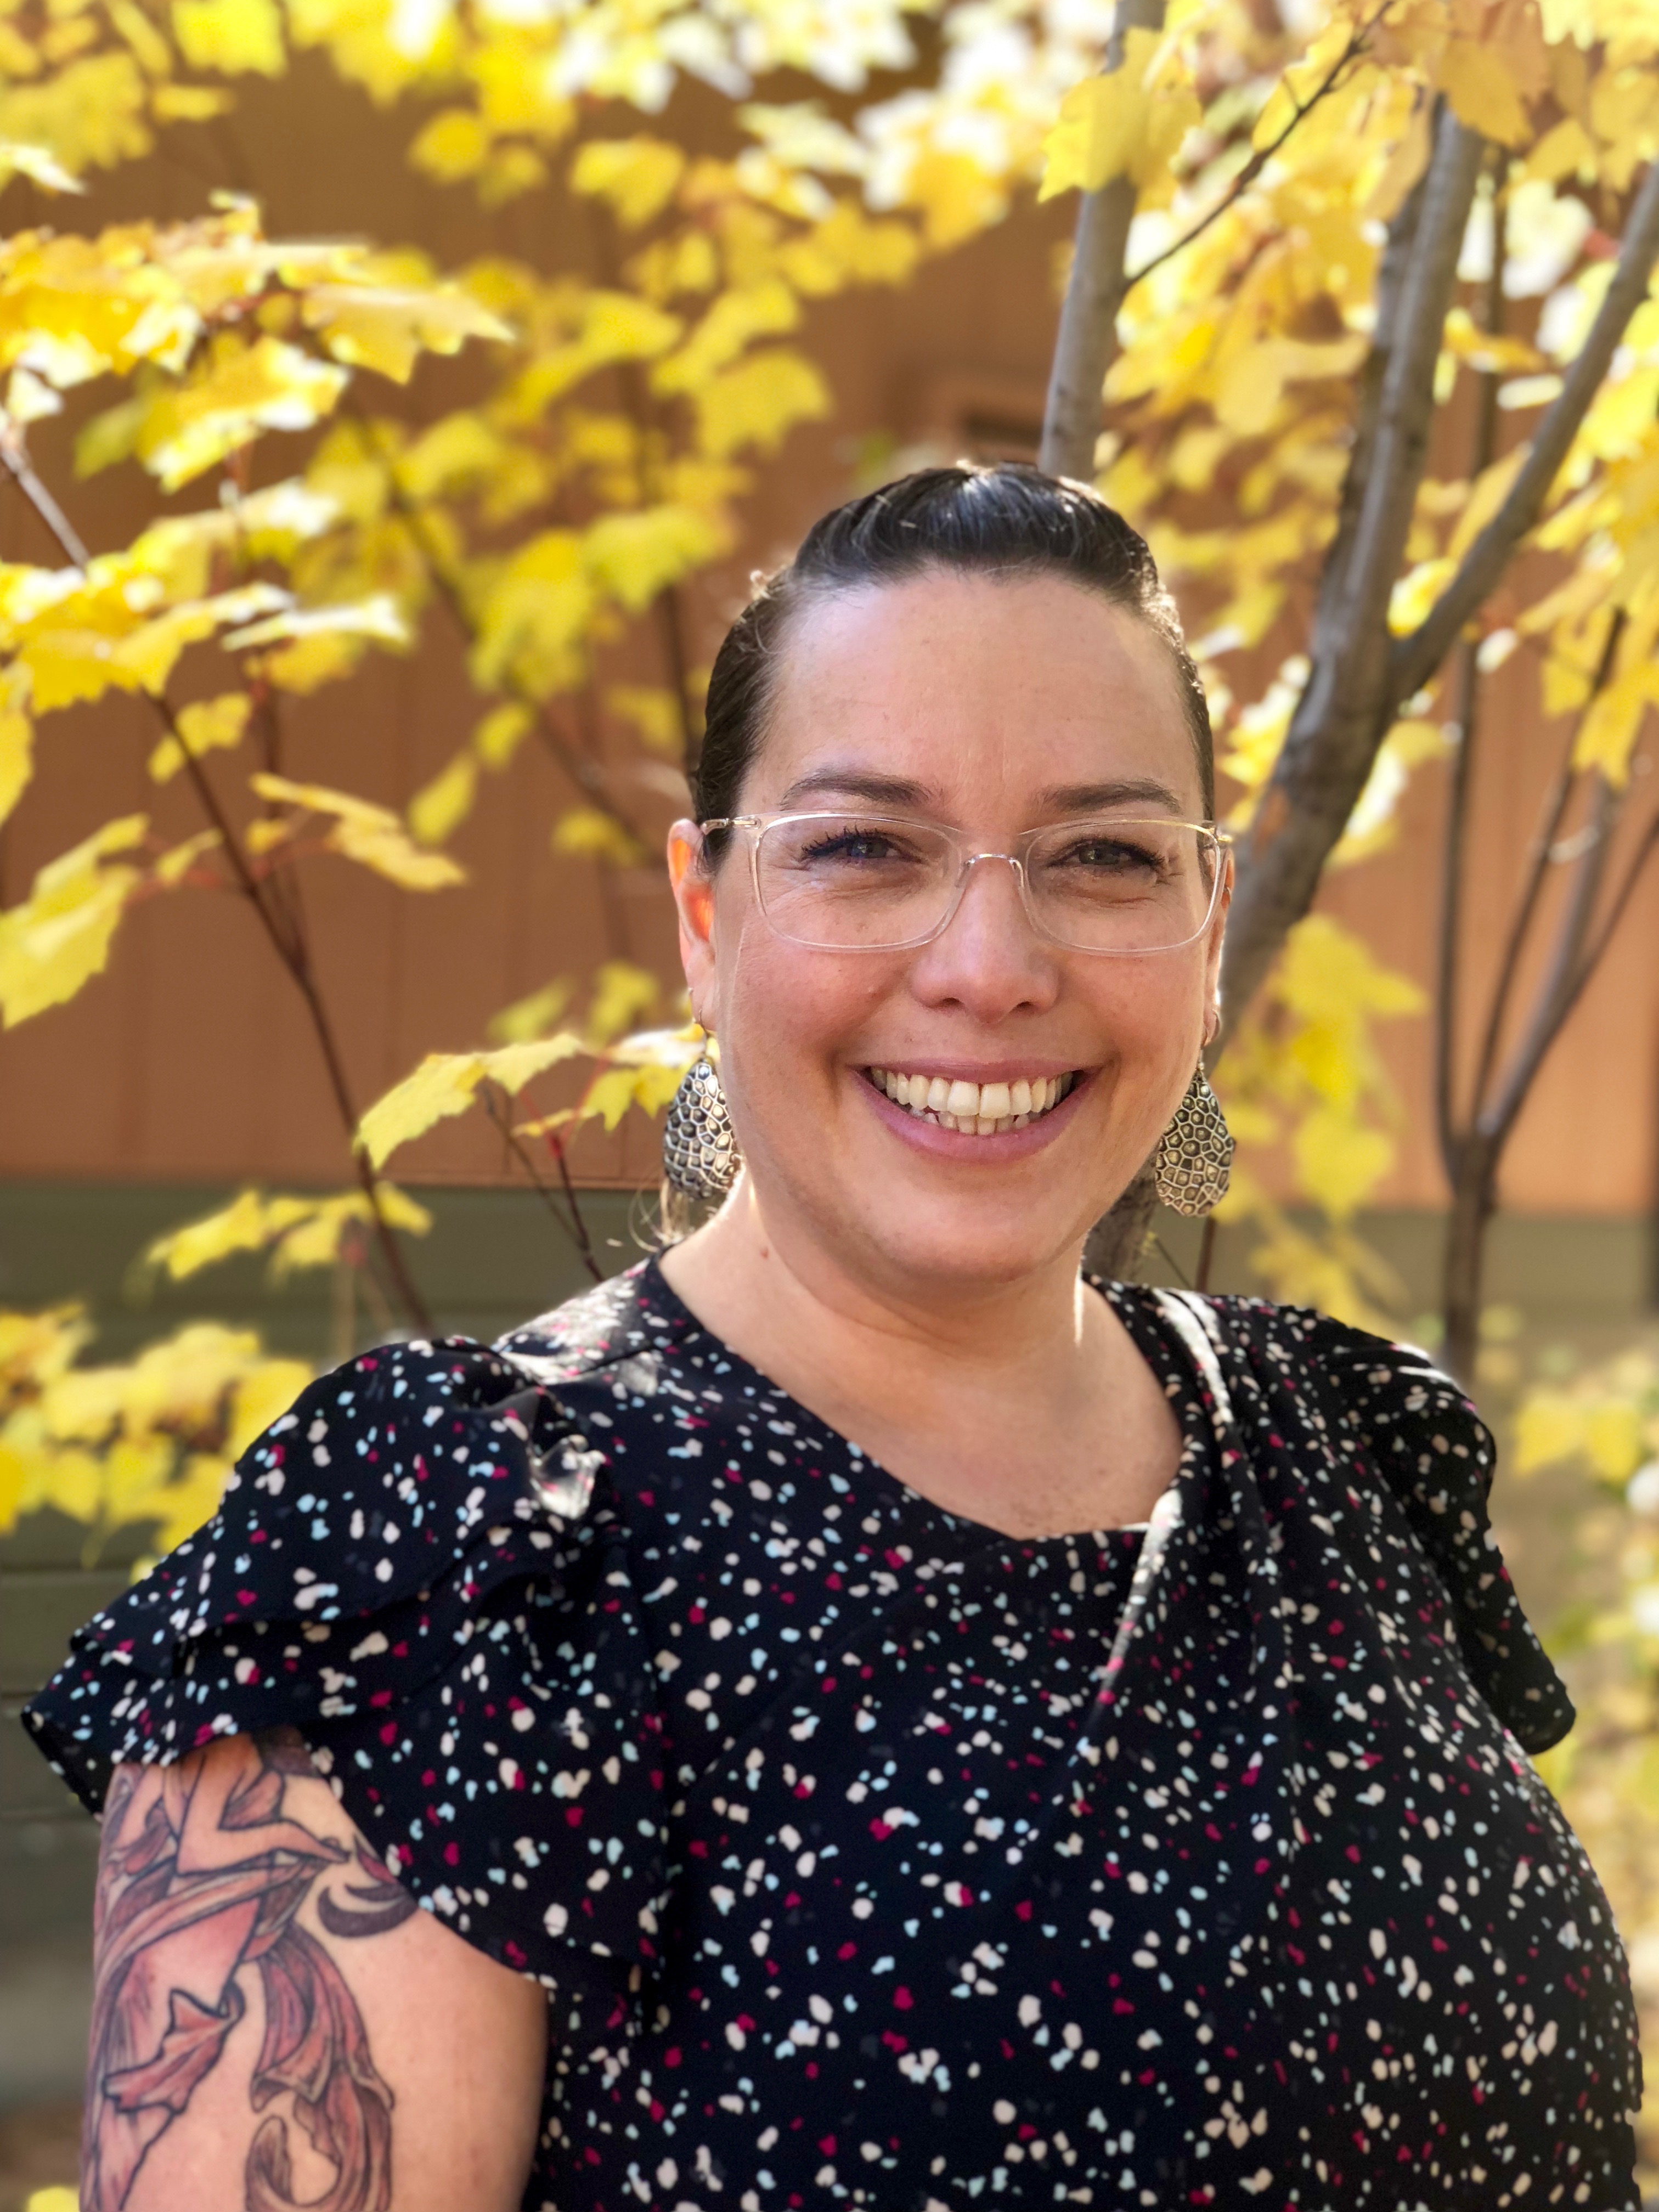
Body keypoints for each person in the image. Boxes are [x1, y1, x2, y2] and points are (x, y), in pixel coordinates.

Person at [26, 464, 1639, 2212]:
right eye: (869, 847)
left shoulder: (1338, 1451)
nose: (990, 963)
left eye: (1104, 856)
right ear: (705, 919)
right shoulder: (449, 1552)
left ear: (1212, 920)